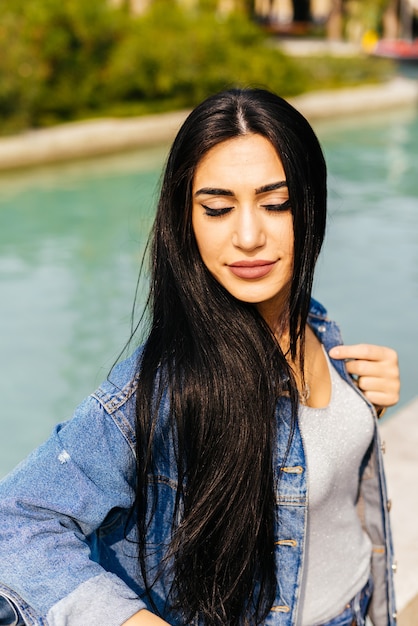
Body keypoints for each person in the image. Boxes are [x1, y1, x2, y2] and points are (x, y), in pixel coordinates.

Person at [0, 88, 400, 626]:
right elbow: (17, 521)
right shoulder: (163, 386)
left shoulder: (319, 326)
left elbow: (308, 474)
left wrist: (363, 405)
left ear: (312, 204)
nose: (249, 236)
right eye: (217, 208)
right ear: (186, 219)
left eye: (276, 203)